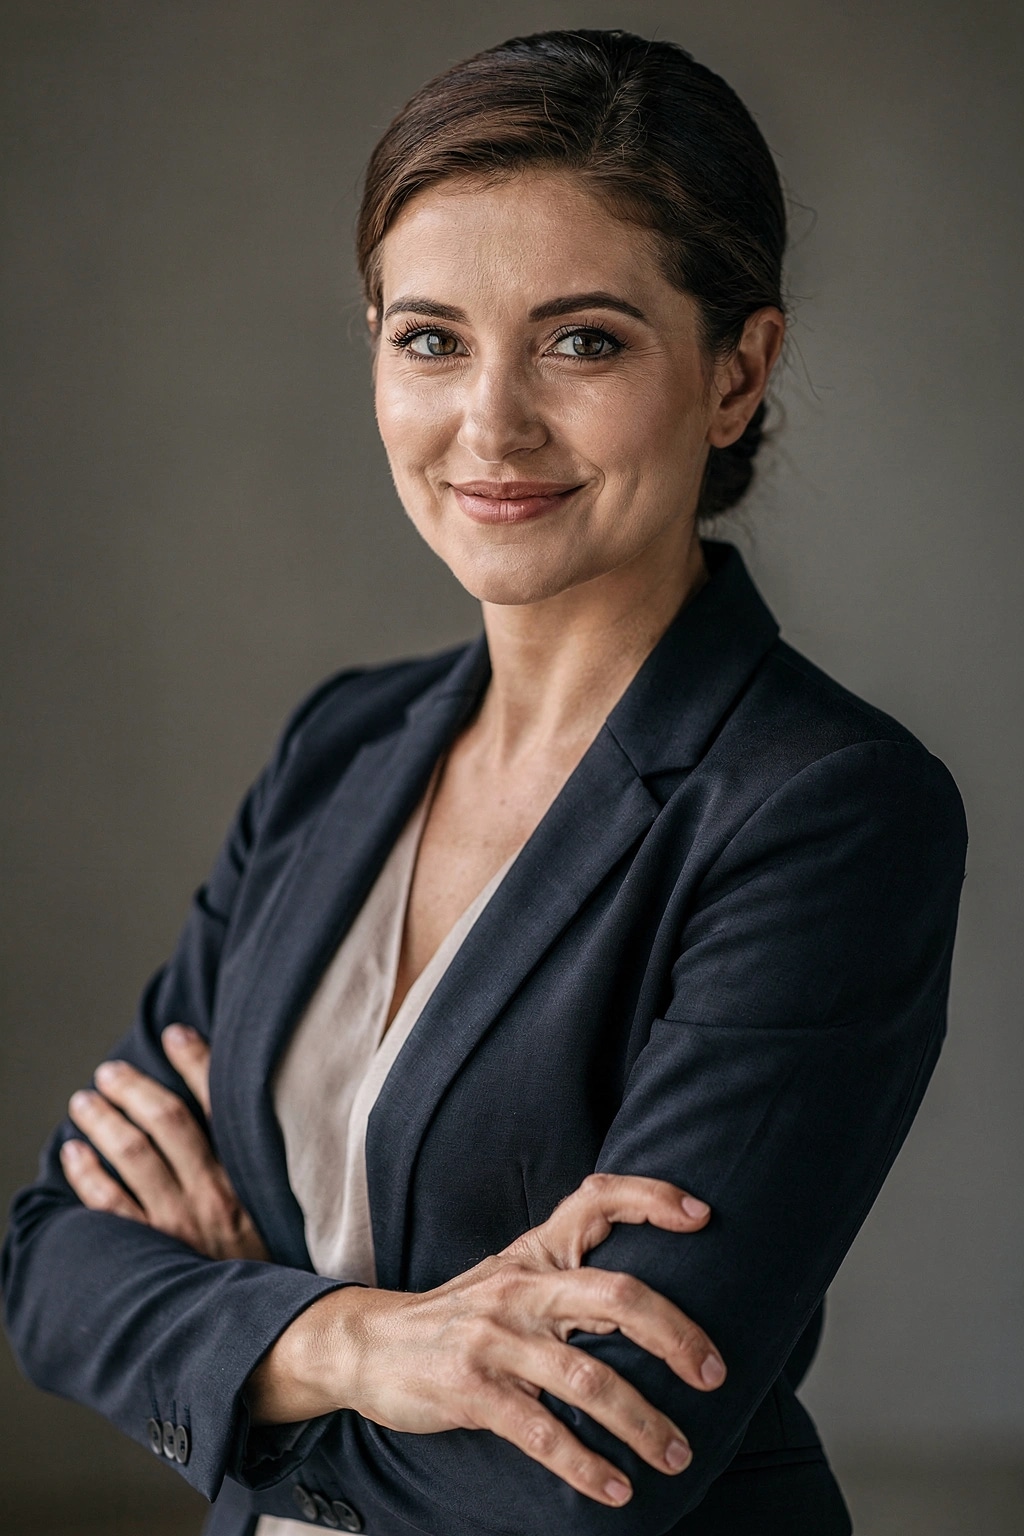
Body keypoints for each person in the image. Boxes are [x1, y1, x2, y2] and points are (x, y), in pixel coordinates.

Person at [2, 29, 966, 1536]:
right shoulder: (342, 748)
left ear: (737, 372)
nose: (489, 426)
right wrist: (356, 1342)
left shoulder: (824, 809)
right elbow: (51, 1260)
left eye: (584, 340)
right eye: (431, 339)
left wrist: (228, 1334)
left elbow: (578, 1467)